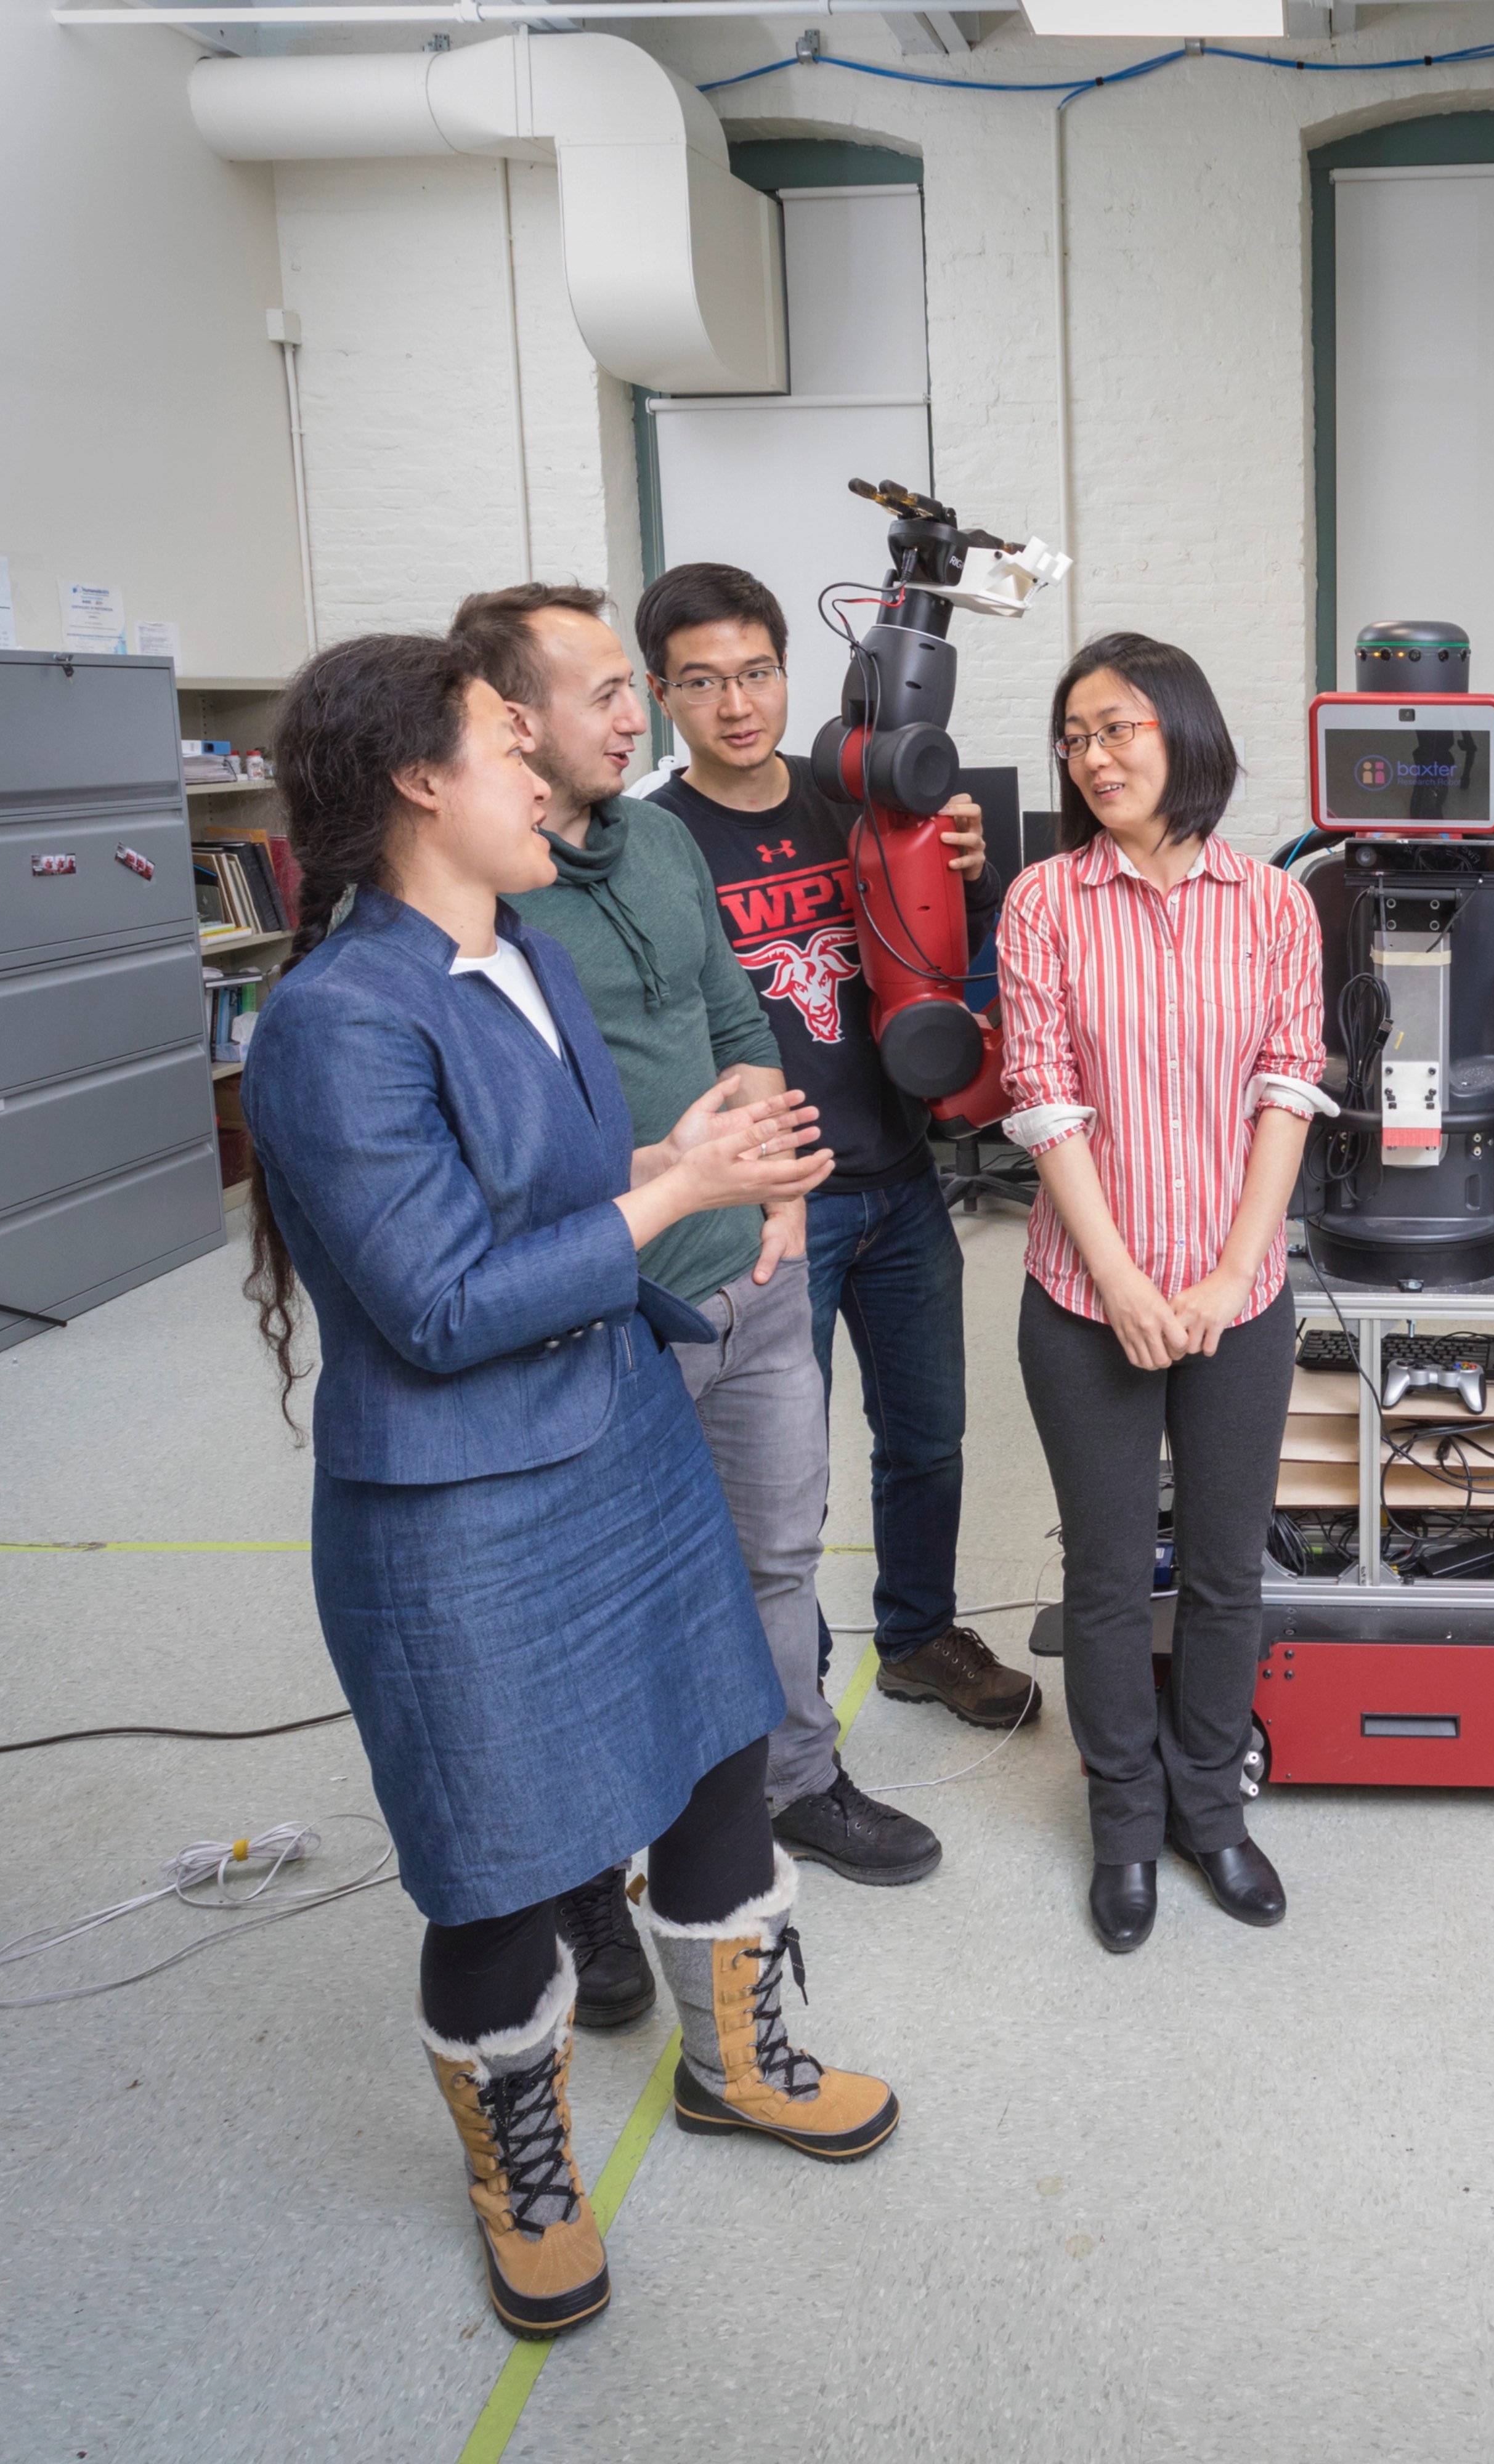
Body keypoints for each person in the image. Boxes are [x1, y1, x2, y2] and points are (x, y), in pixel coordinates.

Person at [238, 634, 898, 2340]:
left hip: (618, 1430)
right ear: (418, 784)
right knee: (496, 1861)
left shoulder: (520, 948)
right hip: (458, 1505)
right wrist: (679, 1180)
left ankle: (735, 2066)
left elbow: (560, 1189)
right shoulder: (332, 1022)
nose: (548, 776)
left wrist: (691, 1160)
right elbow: (445, 1301)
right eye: (506, 747)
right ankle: (522, 2172)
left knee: (712, 1755)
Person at [452, 581, 946, 1902]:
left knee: (779, 1556)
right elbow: (494, 1158)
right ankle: (589, 1867)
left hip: (754, 1273)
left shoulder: (653, 850)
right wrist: (679, 1183)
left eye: (633, 686)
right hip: (612, 1305)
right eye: (614, 691)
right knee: (605, 1592)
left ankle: (800, 1777)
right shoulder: (478, 895)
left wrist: (780, 1183)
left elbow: (737, 1014)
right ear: (508, 720)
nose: (640, 715)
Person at [634, 562, 1039, 1735]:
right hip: (771, 1205)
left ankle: (917, 1638)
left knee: (927, 1438)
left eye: (756, 672)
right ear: (664, 694)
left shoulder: (861, 802)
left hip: (902, 1182)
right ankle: (788, 1681)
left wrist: (974, 865)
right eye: (702, 682)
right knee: (778, 1474)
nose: (736, 704)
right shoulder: (656, 845)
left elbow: (960, 954)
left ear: (787, 672)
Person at [993, 633, 1329, 1953]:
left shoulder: (1274, 902)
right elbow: (1042, 1097)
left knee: (1232, 1572)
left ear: (1182, 731)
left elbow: (1286, 1088)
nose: (1094, 755)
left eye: (1118, 726)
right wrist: (1127, 1281)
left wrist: (1237, 1270)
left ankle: (1213, 1809)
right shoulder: (1044, 901)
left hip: (1235, 1300)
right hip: (1088, 1296)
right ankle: (1125, 1823)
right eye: (1075, 735)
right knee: (1109, 1574)